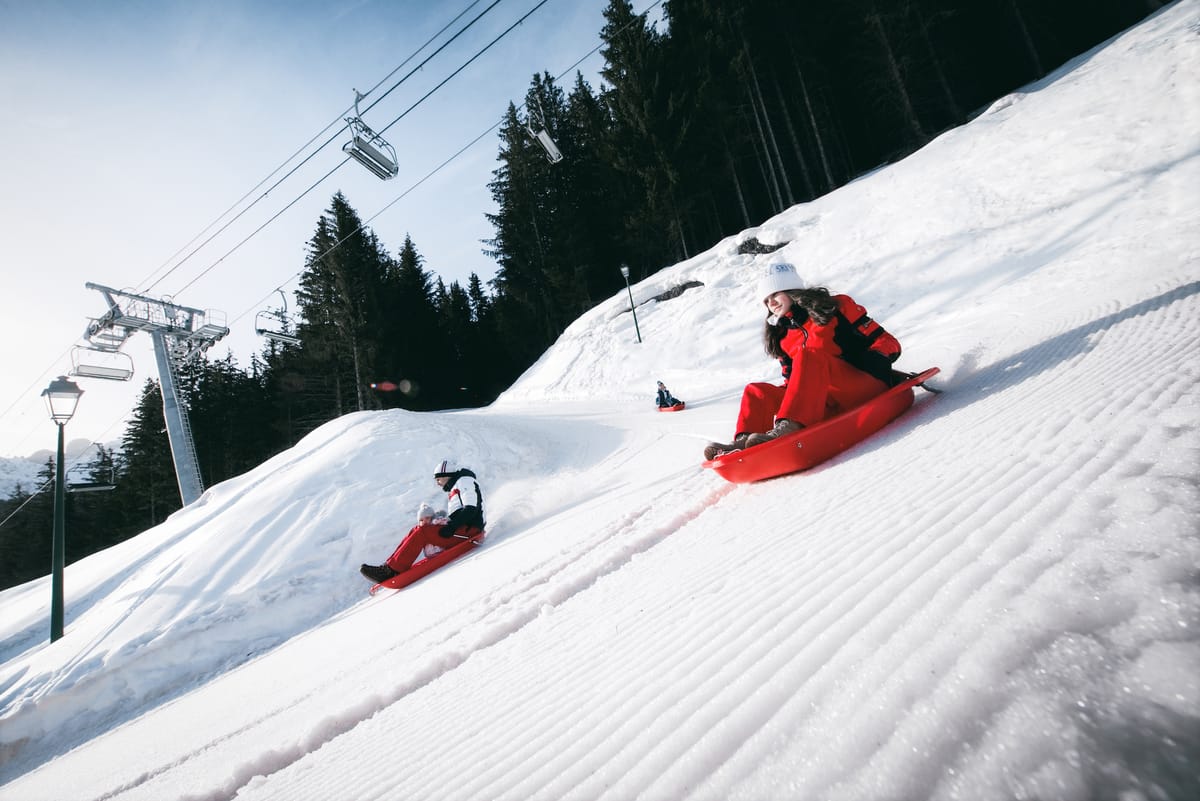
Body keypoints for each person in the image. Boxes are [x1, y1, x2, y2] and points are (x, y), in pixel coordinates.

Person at [703, 262, 890, 460]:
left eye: (775, 294)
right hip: (825, 402)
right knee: (756, 391)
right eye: (766, 300)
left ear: (791, 290)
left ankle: (790, 427)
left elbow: (887, 342)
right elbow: (795, 381)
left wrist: (872, 362)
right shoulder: (781, 335)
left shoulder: (835, 308)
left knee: (809, 355)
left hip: (862, 385)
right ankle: (744, 443)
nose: (771, 303)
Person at [359, 459, 485, 583]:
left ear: (446, 475)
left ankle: (392, 570)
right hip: (462, 528)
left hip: (469, 530)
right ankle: (388, 567)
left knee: (423, 532)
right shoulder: (457, 485)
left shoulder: (464, 481)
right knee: (417, 529)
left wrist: (451, 527)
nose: (438, 483)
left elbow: (471, 508)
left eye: (438, 479)